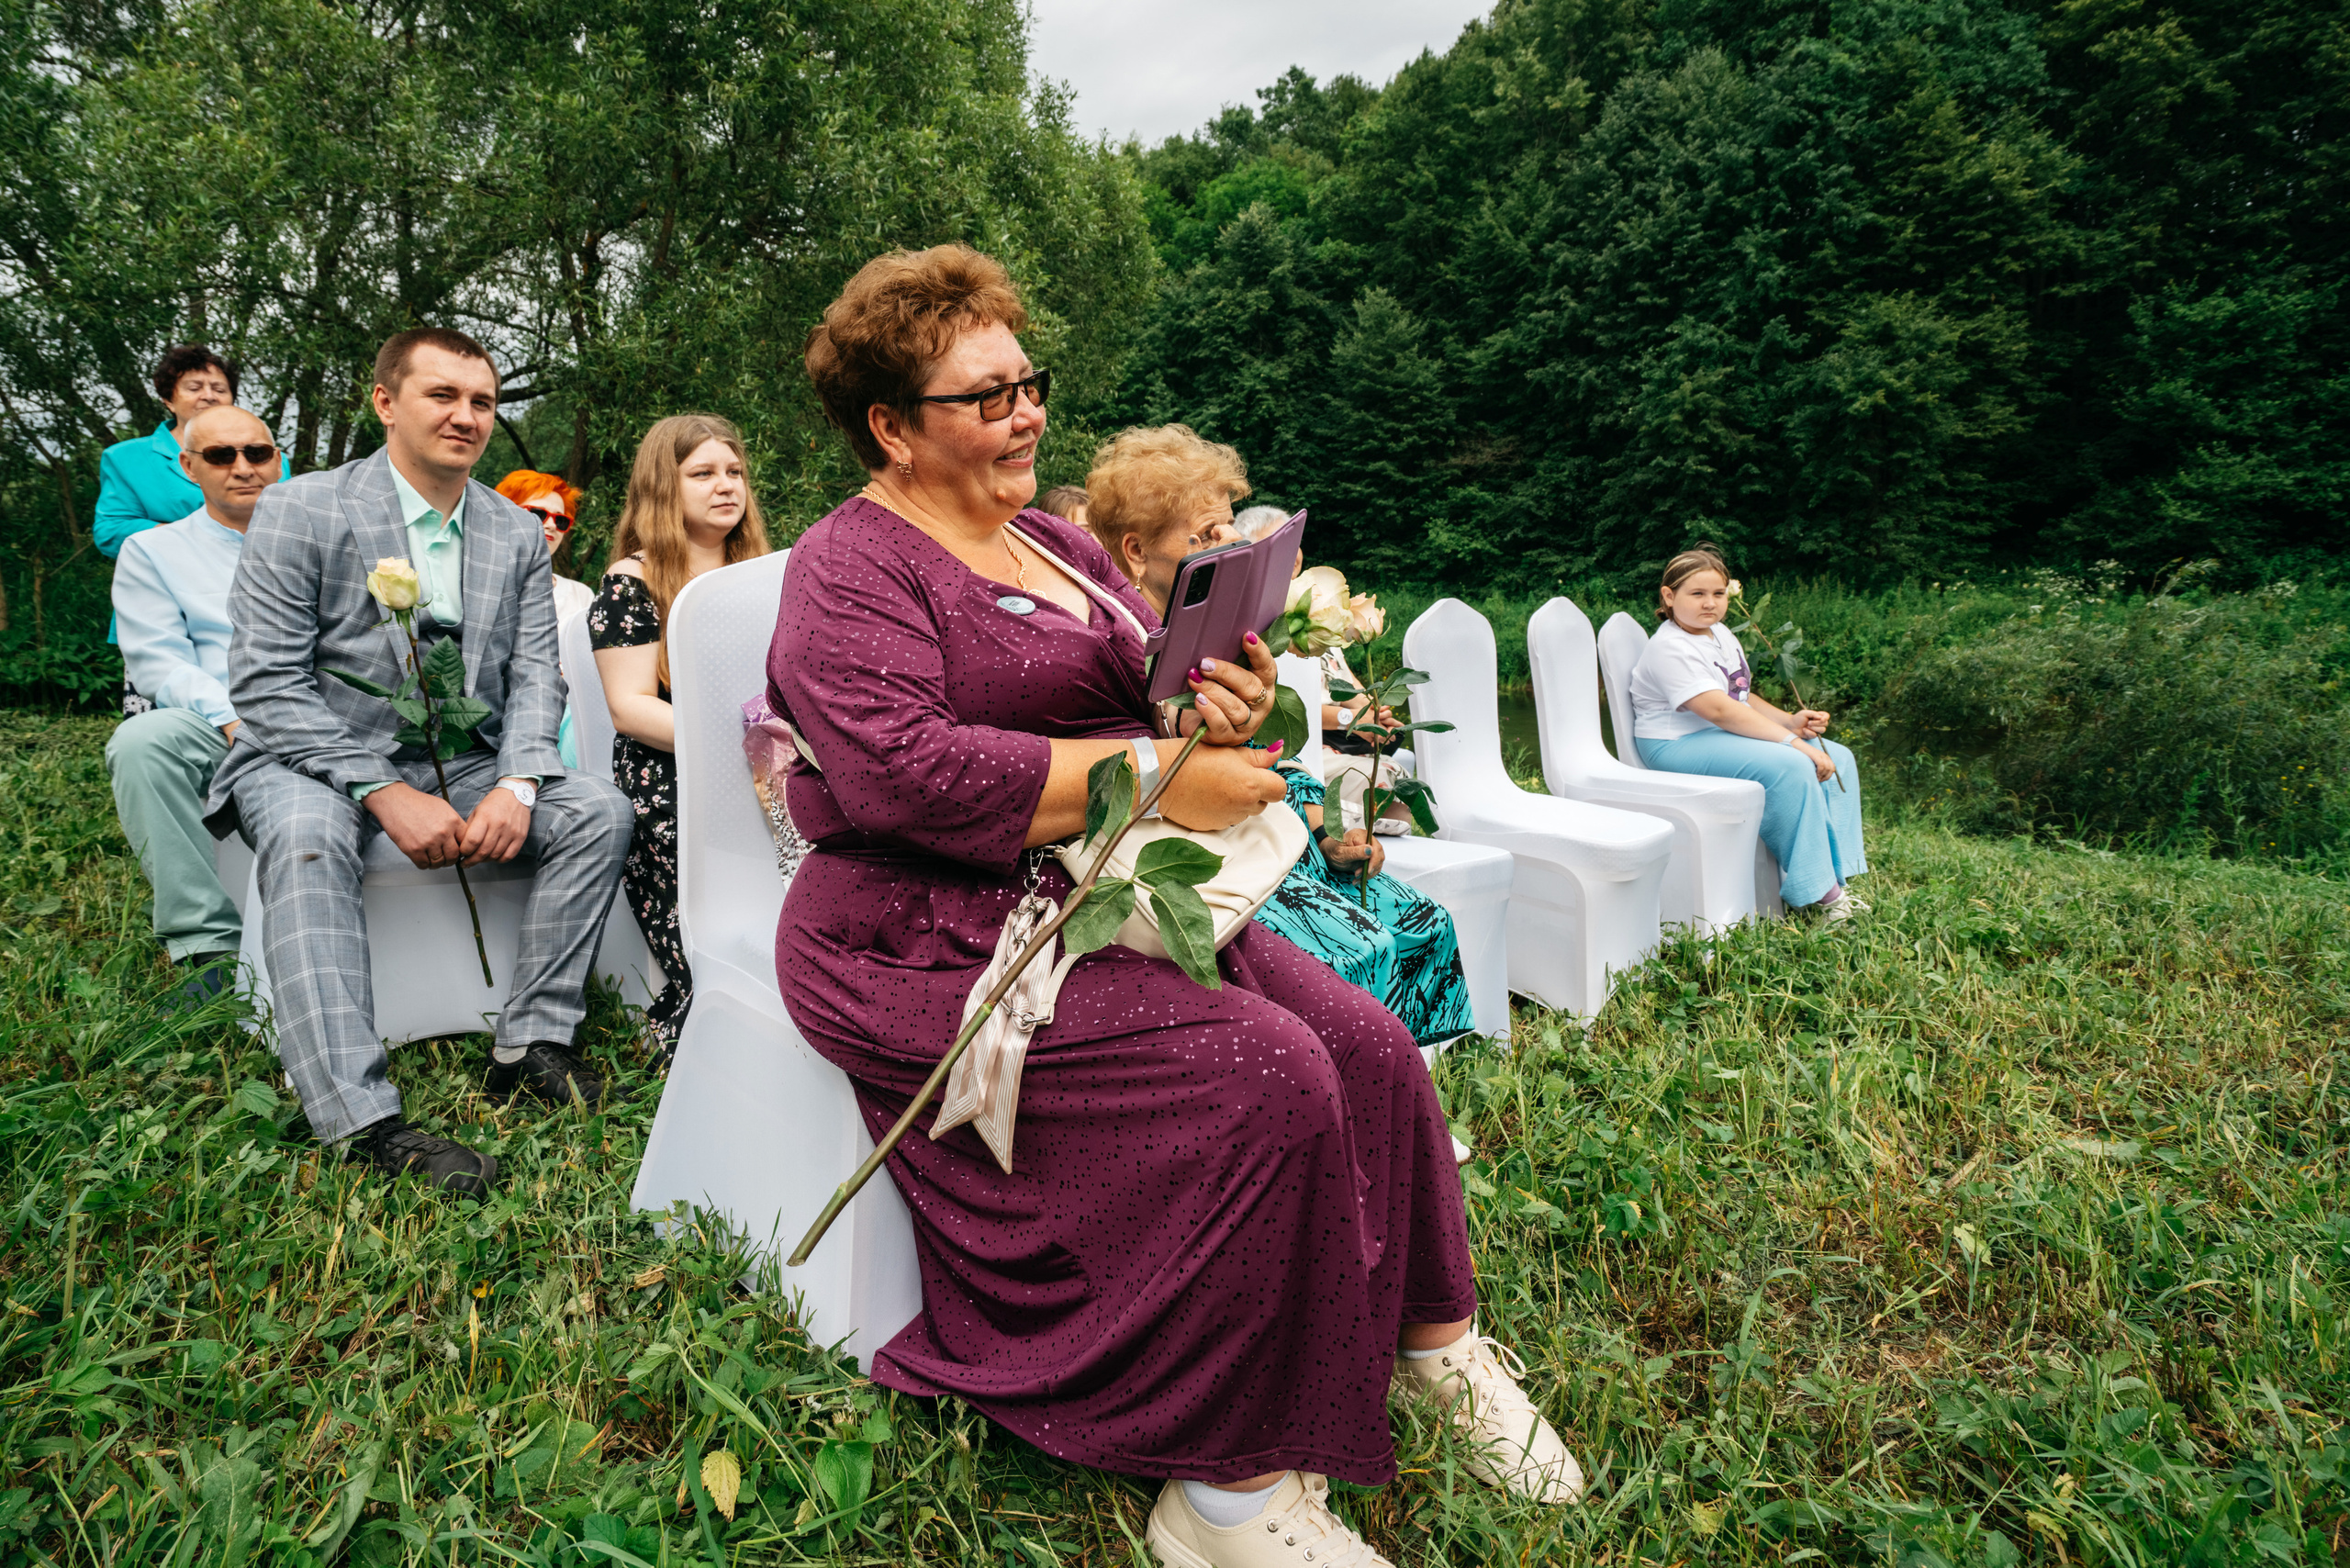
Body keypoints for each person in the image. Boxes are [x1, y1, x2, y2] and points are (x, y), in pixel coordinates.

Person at [771, 245, 1576, 1568]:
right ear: (890, 428)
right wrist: (1157, 771)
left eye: (1028, 380)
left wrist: (1222, 707)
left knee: (1369, 1048)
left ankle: (1435, 1345)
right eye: (986, 395)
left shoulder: (1055, 539)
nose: (1026, 411)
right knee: (1265, 1076)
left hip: (1118, 886)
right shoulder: (851, 567)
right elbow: (900, 773)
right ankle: (1226, 1499)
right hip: (925, 926)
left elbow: (1138, 691)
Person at [207, 327, 635, 1195]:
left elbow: (533, 677)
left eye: (482, 402)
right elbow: (267, 686)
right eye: (443, 395)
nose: (466, 416)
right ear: (386, 403)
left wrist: (519, 781)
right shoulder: (304, 509)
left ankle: (531, 1041)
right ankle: (360, 1120)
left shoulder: (514, 531)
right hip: (304, 756)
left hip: (463, 757)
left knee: (598, 811)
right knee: (306, 838)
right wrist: (381, 789)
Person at [1091, 433, 1476, 1049]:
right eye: (1204, 535)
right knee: (1359, 949)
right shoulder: (1110, 646)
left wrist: (1329, 837)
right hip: (1197, 859)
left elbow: (1278, 759)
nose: (1225, 547)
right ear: (1136, 551)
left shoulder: (1225, 639)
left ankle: (1410, 1094)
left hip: (1273, 835)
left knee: (1425, 922)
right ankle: (1346, 1119)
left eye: (1226, 531)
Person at [590, 414, 771, 1058]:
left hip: (768, 779)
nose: (726, 487)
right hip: (670, 789)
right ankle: (688, 1043)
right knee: (710, 945)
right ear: (663, 486)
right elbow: (629, 708)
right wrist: (744, 747)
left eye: (734, 472)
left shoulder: (765, 574)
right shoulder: (630, 583)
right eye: (703, 475)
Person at [106, 405, 282, 1005]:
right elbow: (158, 663)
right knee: (143, 742)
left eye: (257, 453)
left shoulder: (327, 541)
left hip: (329, 724)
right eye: (221, 456)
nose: (243, 468)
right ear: (188, 466)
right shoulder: (153, 552)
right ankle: (207, 948)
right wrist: (233, 718)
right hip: (222, 725)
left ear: (277, 460)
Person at [1630, 547, 1868, 918]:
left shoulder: (1720, 634)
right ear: (1669, 596)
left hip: (1718, 733)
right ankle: (1821, 896)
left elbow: (1739, 695)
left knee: (1839, 757)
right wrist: (1792, 743)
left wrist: (1789, 722)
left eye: (1718, 594)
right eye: (1697, 594)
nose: (1710, 604)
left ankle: (1839, 876)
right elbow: (1720, 710)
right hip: (1675, 742)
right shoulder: (1670, 647)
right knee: (1791, 766)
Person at [95, 344, 287, 662]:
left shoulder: (265, 456)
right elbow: (111, 530)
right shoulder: (126, 458)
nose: (208, 395)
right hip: (168, 601)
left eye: (219, 388)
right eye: (194, 387)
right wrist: (196, 538)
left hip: (257, 599)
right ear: (168, 398)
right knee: (169, 685)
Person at [496, 470, 593, 622]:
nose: (552, 525)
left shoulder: (581, 595)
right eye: (538, 514)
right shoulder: (481, 583)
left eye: (560, 520)